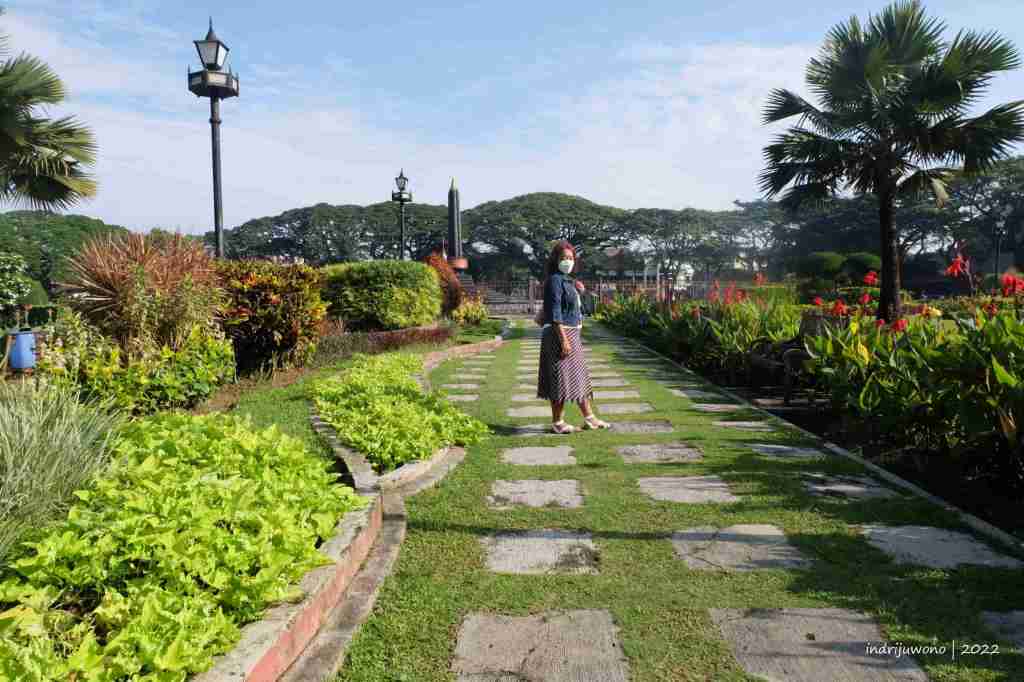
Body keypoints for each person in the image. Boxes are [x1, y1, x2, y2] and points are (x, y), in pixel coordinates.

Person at [537, 241, 609, 433]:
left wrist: (578, 289)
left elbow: (572, 306)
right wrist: (563, 340)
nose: (567, 261)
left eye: (570, 258)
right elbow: (555, 311)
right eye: (563, 258)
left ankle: (590, 418)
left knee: (578, 377)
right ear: (555, 260)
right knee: (560, 379)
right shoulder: (554, 280)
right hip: (559, 334)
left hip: (572, 333)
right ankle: (558, 422)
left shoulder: (566, 280)